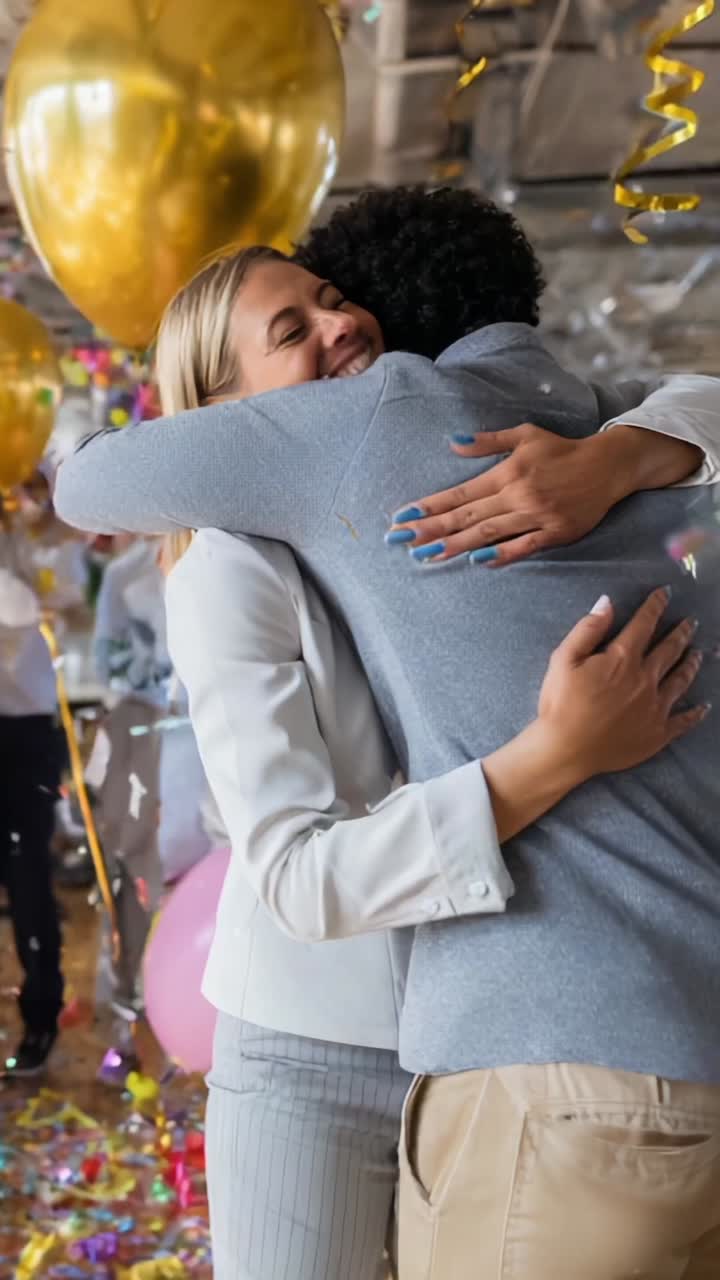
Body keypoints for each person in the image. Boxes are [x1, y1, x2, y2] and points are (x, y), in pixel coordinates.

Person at [54, 188, 720, 1278]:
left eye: (333, 298)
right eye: (292, 331)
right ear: (228, 414)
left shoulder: (457, 467)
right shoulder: (238, 559)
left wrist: (618, 455)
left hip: (466, 1029)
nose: (340, 325)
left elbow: (695, 397)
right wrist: (551, 755)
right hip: (317, 1040)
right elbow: (299, 878)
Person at [0, 488, 66, 1077]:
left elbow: (24, 606)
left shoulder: (30, 531)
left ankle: (42, 1021)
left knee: (28, 886)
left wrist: (33, 505)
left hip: (23, 735)